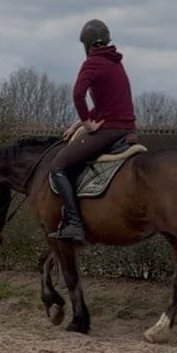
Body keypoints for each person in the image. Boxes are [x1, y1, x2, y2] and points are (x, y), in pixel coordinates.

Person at [48, 19, 137, 241]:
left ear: (87, 45)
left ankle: (74, 224)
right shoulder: (115, 62)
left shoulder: (93, 63)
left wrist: (87, 123)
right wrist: (80, 123)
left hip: (109, 131)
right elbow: (108, 105)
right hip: (126, 129)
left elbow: (78, 94)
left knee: (58, 167)